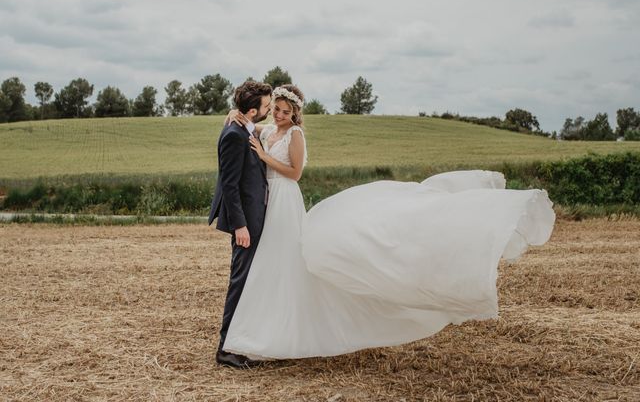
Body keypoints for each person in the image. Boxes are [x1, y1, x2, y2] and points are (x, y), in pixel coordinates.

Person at [216, 84, 556, 364]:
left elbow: (295, 173)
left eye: (284, 111)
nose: (277, 114)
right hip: (267, 203)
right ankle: (258, 331)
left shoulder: (295, 136)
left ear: (295, 114)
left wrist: (263, 157)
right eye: (274, 108)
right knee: (271, 266)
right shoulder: (265, 129)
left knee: (287, 262)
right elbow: (242, 123)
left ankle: (272, 334)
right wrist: (233, 113)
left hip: (285, 198)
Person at [208, 79, 272, 368]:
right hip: (245, 221)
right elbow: (230, 185)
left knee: (248, 280)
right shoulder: (234, 134)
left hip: (254, 216)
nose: (269, 109)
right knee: (240, 280)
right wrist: (240, 226)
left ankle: (241, 341)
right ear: (253, 110)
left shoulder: (244, 126)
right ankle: (225, 348)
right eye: (267, 105)